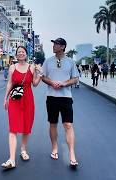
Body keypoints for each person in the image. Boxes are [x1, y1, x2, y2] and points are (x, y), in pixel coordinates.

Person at [2, 46, 42, 169]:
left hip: (28, 99)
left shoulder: (32, 67)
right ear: (16, 55)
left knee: (26, 126)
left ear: (26, 54)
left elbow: (34, 84)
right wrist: (5, 98)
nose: (20, 54)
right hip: (15, 99)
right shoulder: (12, 67)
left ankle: (23, 150)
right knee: (13, 128)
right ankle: (11, 159)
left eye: (23, 52)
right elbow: (10, 83)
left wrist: (40, 74)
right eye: (18, 52)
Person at [41, 38, 79, 168]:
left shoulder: (70, 62)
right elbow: (43, 76)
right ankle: (54, 148)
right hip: (52, 97)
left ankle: (72, 154)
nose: (54, 46)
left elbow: (75, 78)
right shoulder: (48, 61)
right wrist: (51, 82)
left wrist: (63, 83)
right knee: (53, 123)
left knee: (68, 124)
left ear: (62, 46)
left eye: (56, 44)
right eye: (53, 44)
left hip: (66, 97)